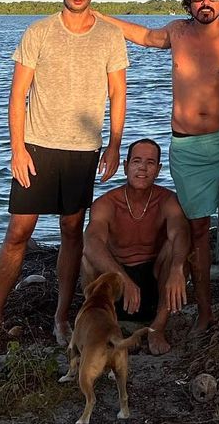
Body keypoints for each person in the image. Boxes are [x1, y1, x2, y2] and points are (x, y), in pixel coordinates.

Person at [0, 0, 127, 355]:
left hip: (84, 149)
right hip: (38, 147)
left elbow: (118, 94)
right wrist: (17, 149)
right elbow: (17, 94)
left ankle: (61, 319)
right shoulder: (38, 32)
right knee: (18, 233)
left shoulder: (109, 36)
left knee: (72, 232)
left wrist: (113, 144)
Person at [96, 0, 219, 333]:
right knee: (197, 230)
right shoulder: (177, 33)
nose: (205, 2)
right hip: (188, 149)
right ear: (189, 3)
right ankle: (205, 311)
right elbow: (144, 36)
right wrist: (98, 17)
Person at [82, 139, 190, 354]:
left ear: (158, 169)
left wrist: (178, 268)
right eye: (137, 161)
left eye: (150, 162)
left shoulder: (167, 200)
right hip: (118, 290)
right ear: (125, 166)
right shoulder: (107, 203)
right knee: (87, 257)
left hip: (154, 285)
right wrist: (123, 279)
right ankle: (102, 325)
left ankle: (157, 328)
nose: (142, 167)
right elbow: (92, 242)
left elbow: (180, 233)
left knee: (177, 248)